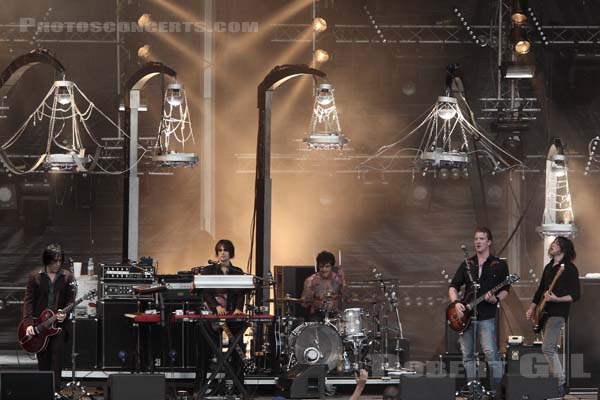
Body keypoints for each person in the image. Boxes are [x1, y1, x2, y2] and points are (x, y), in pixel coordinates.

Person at [448, 227, 509, 396]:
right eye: (476, 239)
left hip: (486, 316)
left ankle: (498, 392)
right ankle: (474, 392)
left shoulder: (499, 265)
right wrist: (456, 303)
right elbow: (453, 286)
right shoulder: (469, 264)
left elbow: (506, 289)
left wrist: (495, 299)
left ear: (489, 242)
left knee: (490, 353)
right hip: (465, 316)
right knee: (467, 355)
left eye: (482, 238)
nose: (478, 241)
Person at [526, 236, 580, 396]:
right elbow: (540, 289)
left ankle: (560, 383)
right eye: (553, 243)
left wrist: (557, 299)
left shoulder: (570, 268)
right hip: (544, 313)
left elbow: (576, 295)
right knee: (549, 349)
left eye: (556, 244)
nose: (552, 246)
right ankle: (554, 384)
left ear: (563, 248)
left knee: (547, 347)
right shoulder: (549, 266)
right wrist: (532, 308)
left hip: (558, 313)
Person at [194, 239, 246, 397]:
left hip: (231, 314)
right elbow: (204, 291)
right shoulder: (209, 270)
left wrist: (237, 309)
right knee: (204, 348)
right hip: (213, 313)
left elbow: (241, 292)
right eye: (220, 250)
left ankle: (239, 387)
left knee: (238, 348)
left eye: (226, 250)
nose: (222, 253)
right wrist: (216, 306)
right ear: (217, 253)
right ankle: (200, 387)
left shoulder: (237, 271)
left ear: (231, 253)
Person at [22, 243, 75, 392]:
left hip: (58, 326)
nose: (57, 264)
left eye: (59, 261)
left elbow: (71, 300)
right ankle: (44, 390)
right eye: (54, 261)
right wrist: (29, 324)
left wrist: (65, 314)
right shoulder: (35, 277)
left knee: (56, 357)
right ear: (47, 260)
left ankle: (55, 391)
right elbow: (28, 302)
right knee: (43, 358)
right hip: (41, 325)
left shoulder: (67, 277)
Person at [301, 250, 346, 322]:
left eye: (327, 266)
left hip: (335, 316)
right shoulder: (310, 280)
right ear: (318, 267)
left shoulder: (338, 279)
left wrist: (343, 283)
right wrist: (312, 288)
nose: (324, 269)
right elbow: (304, 304)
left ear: (332, 267)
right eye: (321, 267)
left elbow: (348, 299)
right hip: (316, 317)